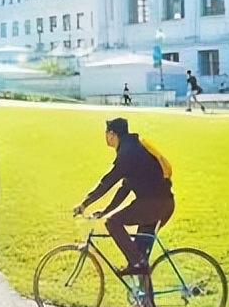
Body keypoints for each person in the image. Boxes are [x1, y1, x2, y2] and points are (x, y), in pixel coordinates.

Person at [72, 118, 174, 275]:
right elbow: (124, 188)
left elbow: (107, 182)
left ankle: (138, 264)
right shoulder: (134, 147)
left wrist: (84, 204)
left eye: (106, 133)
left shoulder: (127, 153)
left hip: (153, 205)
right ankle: (145, 297)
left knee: (113, 223)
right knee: (139, 258)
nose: (105, 137)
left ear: (112, 134)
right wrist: (105, 210)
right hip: (162, 203)